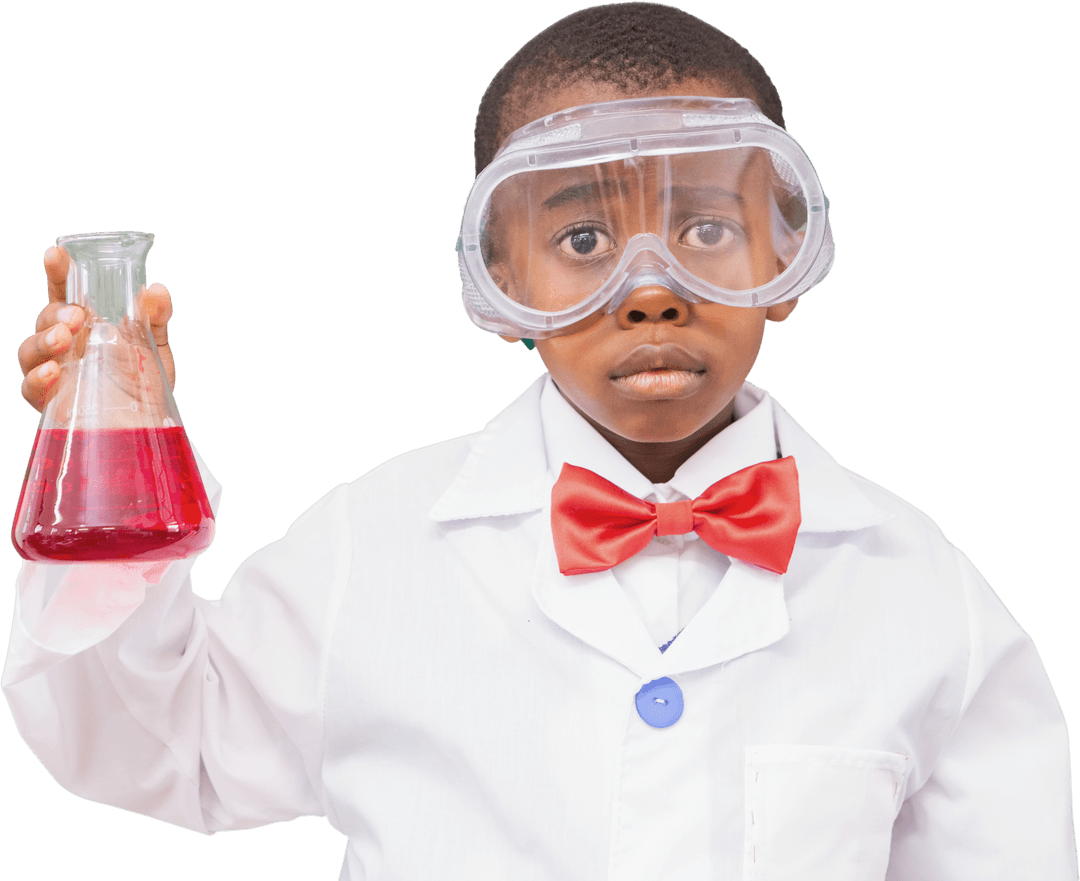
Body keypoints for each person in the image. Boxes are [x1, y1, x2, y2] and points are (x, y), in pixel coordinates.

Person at [4, 3, 1076, 878]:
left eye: (707, 229)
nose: (652, 288)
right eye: (581, 238)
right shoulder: (369, 547)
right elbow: (147, 739)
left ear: (782, 255)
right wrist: (110, 453)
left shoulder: (926, 593)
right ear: (502, 282)